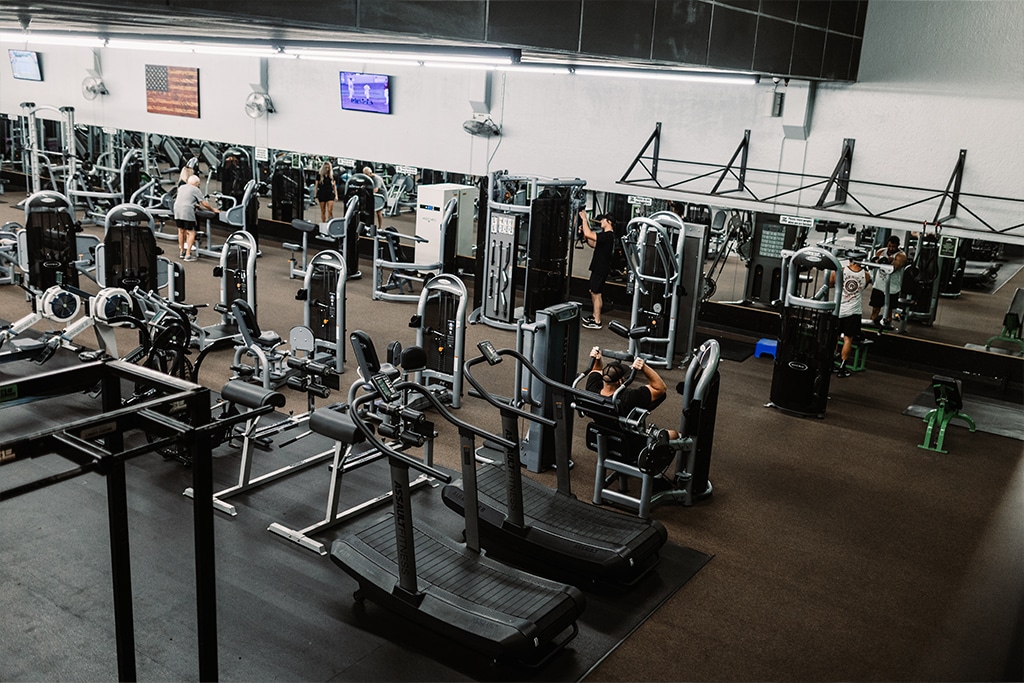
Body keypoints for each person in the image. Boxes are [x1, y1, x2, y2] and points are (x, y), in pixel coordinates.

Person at [585, 347, 677, 439]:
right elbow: (660, 388)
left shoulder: (592, 389)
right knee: (674, 434)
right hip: (631, 443)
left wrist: (597, 359)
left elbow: (596, 370)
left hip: (602, 437)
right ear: (620, 381)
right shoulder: (629, 397)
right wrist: (644, 367)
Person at [829, 257, 870, 378]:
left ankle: (831, 364)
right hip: (853, 312)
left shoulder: (840, 271)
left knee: (835, 337)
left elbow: (830, 284)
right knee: (848, 339)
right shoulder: (866, 275)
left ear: (850, 259)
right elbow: (862, 288)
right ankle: (842, 368)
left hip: (838, 310)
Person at [578, 208, 616, 330]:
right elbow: (592, 243)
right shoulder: (605, 236)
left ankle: (597, 321)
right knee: (593, 291)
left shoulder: (608, 236)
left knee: (596, 292)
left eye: (603, 220)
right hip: (598, 267)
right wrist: (584, 231)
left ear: (609, 222)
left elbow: (590, 234)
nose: (601, 222)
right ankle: (594, 316)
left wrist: (584, 220)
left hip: (601, 268)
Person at [173, 174, 216, 262]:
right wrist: (213, 209)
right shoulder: (195, 189)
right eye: (198, 184)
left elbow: (185, 198)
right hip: (187, 210)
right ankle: (188, 255)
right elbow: (204, 203)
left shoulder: (181, 187)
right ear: (196, 183)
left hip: (177, 209)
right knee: (191, 232)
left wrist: (194, 204)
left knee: (181, 230)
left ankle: (182, 252)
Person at [869, 235, 907, 326]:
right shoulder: (881, 252)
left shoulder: (901, 256)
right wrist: (881, 261)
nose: (891, 248)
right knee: (875, 309)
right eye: (889, 246)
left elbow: (893, 269)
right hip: (879, 285)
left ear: (898, 245)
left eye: (893, 247)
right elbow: (872, 264)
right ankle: (871, 327)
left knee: (888, 311)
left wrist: (883, 262)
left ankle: (886, 330)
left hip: (892, 288)